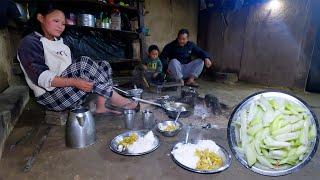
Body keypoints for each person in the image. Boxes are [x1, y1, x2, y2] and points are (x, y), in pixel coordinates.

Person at [17, 4, 138, 115]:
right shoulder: (30, 42)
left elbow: (73, 68)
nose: (60, 26)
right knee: (84, 62)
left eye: (63, 23)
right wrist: (75, 82)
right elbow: (41, 77)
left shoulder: (61, 44)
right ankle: (115, 98)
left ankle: (101, 106)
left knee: (103, 64)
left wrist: (81, 79)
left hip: (67, 91)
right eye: (56, 21)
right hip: (50, 97)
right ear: (41, 18)